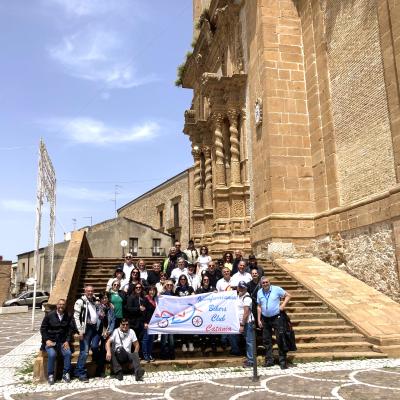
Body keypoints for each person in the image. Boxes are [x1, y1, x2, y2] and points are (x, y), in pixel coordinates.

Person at [257, 276, 292, 369]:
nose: (265, 284)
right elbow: (259, 306)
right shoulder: (259, 292)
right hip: (265, 319)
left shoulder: (277, 289)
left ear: (269, 282)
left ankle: (283, 361)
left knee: (280, 338)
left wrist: (283, 305)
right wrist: (258, 319)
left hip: (277, 317)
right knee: (266, 340)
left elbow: (288, 295)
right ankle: (269, 360)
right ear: (261, 284)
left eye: (266, 282)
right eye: (263, 283)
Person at [40, 298, 73, 385]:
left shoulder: (68, 316)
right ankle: (50, 375)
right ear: (57, 305)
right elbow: (43, 329)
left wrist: (67, 341)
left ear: (65, 306)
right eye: (60, 304)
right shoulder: (49, 315)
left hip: (62, 341)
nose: (61, 306)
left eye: (63, 304)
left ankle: (66, 374)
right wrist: (46, 340)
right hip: (51, 341)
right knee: (52, 354)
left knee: (68, 353)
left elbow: (70, 330)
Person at [73, 285, 98, 382]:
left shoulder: (93, 301)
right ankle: (81, 373)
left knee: (94, 346)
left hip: (94, 328)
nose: (90, 293)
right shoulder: (80, 301)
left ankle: (78, 371)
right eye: (88, 291)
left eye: (92, 291)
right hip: (85, 329)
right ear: (85, 291)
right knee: (84, 351)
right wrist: (80, 330)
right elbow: (76, 316)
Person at [92, 293, 115, 377]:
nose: (105, 299)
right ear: (100, 299)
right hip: (98, 331)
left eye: (106, 298)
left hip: (107, 332)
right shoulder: (97, 307)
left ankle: (104, 371)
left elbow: (112, 321)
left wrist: (110, 331)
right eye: (103, 298)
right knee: (94, 346)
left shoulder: (110, 309)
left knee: (104, 351)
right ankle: (96, 359)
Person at [175, 274, 195, 352]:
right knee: (183, 328)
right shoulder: (177, 289)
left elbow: (194, 296)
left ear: (186, 280)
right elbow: (175, 299)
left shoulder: (190, 288)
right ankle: (183, 344)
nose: (183, 280)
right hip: (181, 311)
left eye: (184, 279)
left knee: (190, 328)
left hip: (189, 311)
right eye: (181, 279)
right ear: (179, 281)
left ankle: (191, 343)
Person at [237, 281, 254, 368]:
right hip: (241, 322)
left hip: (247, 323)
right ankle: (249, 358)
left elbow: (246, 312)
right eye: (240, 287)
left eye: (243, 287)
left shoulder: (246, 298)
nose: (241, 289)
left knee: (249, 342)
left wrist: (242, 325)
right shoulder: (239, 296)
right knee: (247, 341)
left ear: (246, 288)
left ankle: (251, 361)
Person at [159, 280, 175, 360]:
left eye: (171, 285)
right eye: (168, 285)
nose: (169, 286)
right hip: (164, 318)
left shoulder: (174, 294)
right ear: (165, 286)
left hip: (172, 318)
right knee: (164, 338)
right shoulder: (162, 295)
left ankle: (171, 354)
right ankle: (163, 354)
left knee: (171, 338)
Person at [142, 285, 158, 362]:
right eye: (151, 290)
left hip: (153, 323)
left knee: (151, 340)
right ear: (148, 291)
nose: (152, 292)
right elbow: (144, 312)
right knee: (146, 339)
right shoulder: (146, 299)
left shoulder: (155, 300)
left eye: (153, 290)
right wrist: (145, 322)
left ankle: (149, 354)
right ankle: (145, 355)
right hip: (147, 323)